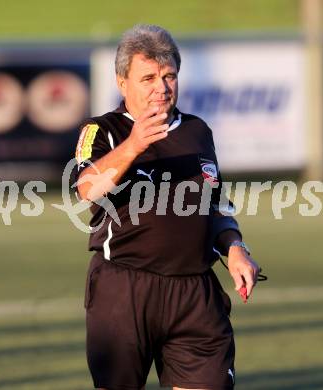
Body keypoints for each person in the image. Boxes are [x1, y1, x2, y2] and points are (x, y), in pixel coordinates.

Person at [75, 24, 260, 390]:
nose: (161, 88)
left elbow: (215, 203)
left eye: (169, 76)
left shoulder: (197, 131)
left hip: (195, 294)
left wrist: (235, 247)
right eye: (148, 78)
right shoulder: (102, 130)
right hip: (125, 290)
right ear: (122, 82)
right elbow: (86, 189)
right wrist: (133, 145)